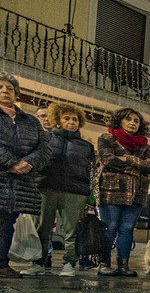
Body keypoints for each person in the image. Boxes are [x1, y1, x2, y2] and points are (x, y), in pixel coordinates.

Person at [19, 103, 90, 277]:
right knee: (42, 228)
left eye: (75, 119)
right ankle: (38, 263)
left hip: (75, 191)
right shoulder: (46, 138)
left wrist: (89, 198)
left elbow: (89, 170)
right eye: (66, 118)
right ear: (57, 119)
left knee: (71, 229)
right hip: (47, 187)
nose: (71, 122)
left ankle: (69, 264)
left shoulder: (86, 146)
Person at [96, 107, 150, 277]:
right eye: (128, 119)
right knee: (110, 227)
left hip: (136, 194)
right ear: (120, 121)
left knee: (127, 228)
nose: (132, 123)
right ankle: (104, 263)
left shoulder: (146, 146)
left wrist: (129, 159)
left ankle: (123, 265)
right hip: (112, 191)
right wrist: (138, 167)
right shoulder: (107, 138)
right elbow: (108, 161)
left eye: (136, 121)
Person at [0, 74, 50, 278]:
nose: (5, 91)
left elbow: (44, 148)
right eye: (1, 87)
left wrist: (28, 163)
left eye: (9, 88)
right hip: (3, 175)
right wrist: (11, 162)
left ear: (16, 93)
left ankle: (3, 264)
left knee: (7, 224)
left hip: (20, 183)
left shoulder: (30, 121)